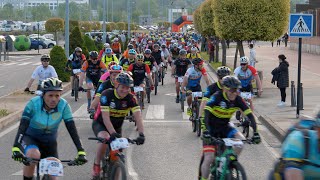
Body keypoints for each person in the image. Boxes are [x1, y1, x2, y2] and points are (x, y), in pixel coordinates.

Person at [12, 77, 87, 180]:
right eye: (50, 95)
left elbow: (72, 129)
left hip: (49, 142)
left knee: (53, 176)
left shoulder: (64, 106)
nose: (54, 99)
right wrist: (16, 147)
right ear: (43, 95)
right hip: (30, 138)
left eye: (57, 95)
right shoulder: (33, 104)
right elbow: (22, 126)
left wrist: (81, 151)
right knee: (33, 155)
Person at [200, 76, 261, 180]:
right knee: (209, 158)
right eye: (232, 90)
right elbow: (206, 113)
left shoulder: (238, 99)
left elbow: (250, 116)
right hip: (211, 128)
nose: (234, 93)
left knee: (241, 143)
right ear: (225, 89)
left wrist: (255, 132)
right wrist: (205, 130)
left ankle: (230, 164)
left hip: (225, 127)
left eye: (237, 90)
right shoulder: (217, 96)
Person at [91, 72, 145, 178]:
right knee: (105, 139)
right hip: (101, 123)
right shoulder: (106, 95)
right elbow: (105, 118)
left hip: (117, 127)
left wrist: (141, 134)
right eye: (122, 87)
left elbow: (138, 117)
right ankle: (96, 165)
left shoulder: (131, 98)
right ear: (116, 85)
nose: (125, 90)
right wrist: (112, 133)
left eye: (127, 88)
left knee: (118, 156)